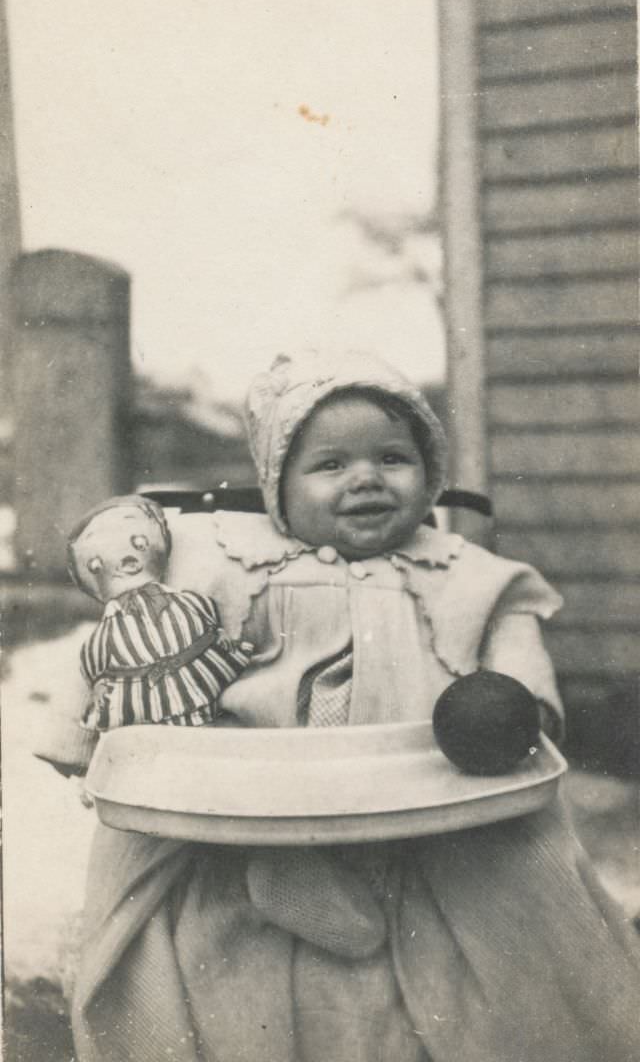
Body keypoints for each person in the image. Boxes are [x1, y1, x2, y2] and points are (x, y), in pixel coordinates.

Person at [36, 350, 640, 1062]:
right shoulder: (229, 562)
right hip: (256, 792)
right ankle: (292, 871)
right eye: (330, 466)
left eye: (393, 458)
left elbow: (518, 652)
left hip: (426, 790)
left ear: (431, 473)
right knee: (213, 920)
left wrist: (517, 706)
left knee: (519, 929)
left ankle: (361, 885)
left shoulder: (470, 575)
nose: (366, 479)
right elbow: (125, 635)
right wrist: (96, 737)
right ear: (278, 489)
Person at [67, 494, 253, 737]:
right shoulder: (110, 623)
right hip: (138, 689)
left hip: (192, 668)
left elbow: (203, 609)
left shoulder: (182, 599)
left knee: (200, 716)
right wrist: (97, 680)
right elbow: (93, 653)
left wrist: (217, 633)